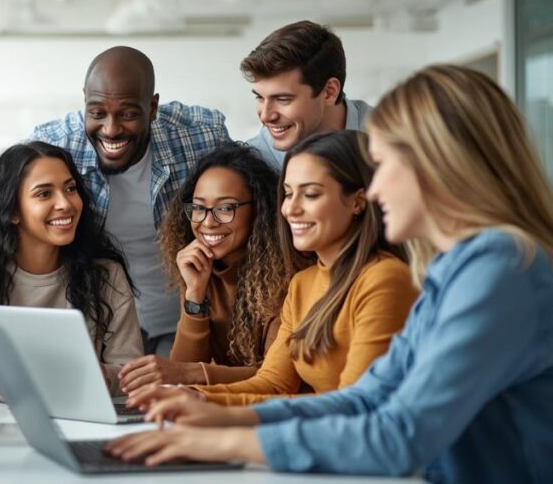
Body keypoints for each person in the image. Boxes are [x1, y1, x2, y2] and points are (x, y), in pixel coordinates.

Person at [104, 65, 553, 484]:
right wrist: (221, 416)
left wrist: (220, 440)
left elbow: (399, 434)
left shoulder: (500, 267)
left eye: (383, 167)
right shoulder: (454, 271)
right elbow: (367, 398)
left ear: (439, 165)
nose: (374, 189)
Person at [128, 130, 417, 407]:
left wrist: (205, 397)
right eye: (288, 194)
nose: (289, 209)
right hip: (317, 433)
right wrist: (196, 398)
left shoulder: (384, 278)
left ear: (357, 201)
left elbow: (355, 406)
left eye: (311, 194)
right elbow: (274, 383)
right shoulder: (304, 283)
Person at [32, 46, 231, 357]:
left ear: (152, 108)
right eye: (97, 112)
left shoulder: (203, 137)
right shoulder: (55, 146)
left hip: (183, 325)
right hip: (97, 330)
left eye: (127, 114)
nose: (111, 130)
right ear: (85, 99)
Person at [0, 142, 144, 400]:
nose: (65, 204)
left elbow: (132, 373)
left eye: (70, 189)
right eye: (44, 194)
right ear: (13, 211)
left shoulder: (107, 275)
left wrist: (97, 376)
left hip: (84, 419)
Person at [118, 142, 297, 393]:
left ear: (259, 209)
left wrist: (190, 373)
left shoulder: (290, 275)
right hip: (226, 408)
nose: (208, 222)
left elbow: (276, 378)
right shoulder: (202, 269)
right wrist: (194, 294)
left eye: (225, 208)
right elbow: (182, 375)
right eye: (199, 208)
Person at [244, 20, 373, 171]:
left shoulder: (393, 141)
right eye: (260, 97)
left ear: (329, 92)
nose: (266, 116)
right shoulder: (255, 161)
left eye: (282, 99)